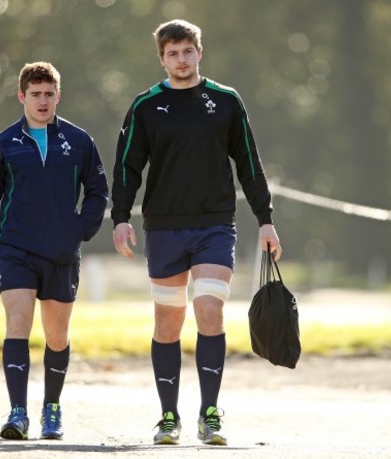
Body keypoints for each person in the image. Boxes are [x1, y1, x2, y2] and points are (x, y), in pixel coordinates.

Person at [111, 19, 282, 446]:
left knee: (209, 310)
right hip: (164, 226)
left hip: (214, 225)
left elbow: (248, 161)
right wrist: (119, 218)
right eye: (172, 53)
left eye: (187, 51)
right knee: (168, 323)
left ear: (199, 52)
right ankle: (169, 416)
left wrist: (265, 218)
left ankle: (210, 414)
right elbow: (128, 166)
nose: (181, 60)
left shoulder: (226, 101)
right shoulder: (146, 106)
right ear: (162, 58)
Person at [0, 61, 108, 440]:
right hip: (16, 249)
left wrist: (81, 228)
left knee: (57, 337)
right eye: (35, 94)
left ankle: (52, 409)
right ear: (22, 96)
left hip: (62, 253)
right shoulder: (3, 144)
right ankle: (18, 412)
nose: (42, 101)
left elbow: (98, 191)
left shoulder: (78, 141)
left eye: (49, 94)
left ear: (58, 96)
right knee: (18, 324)